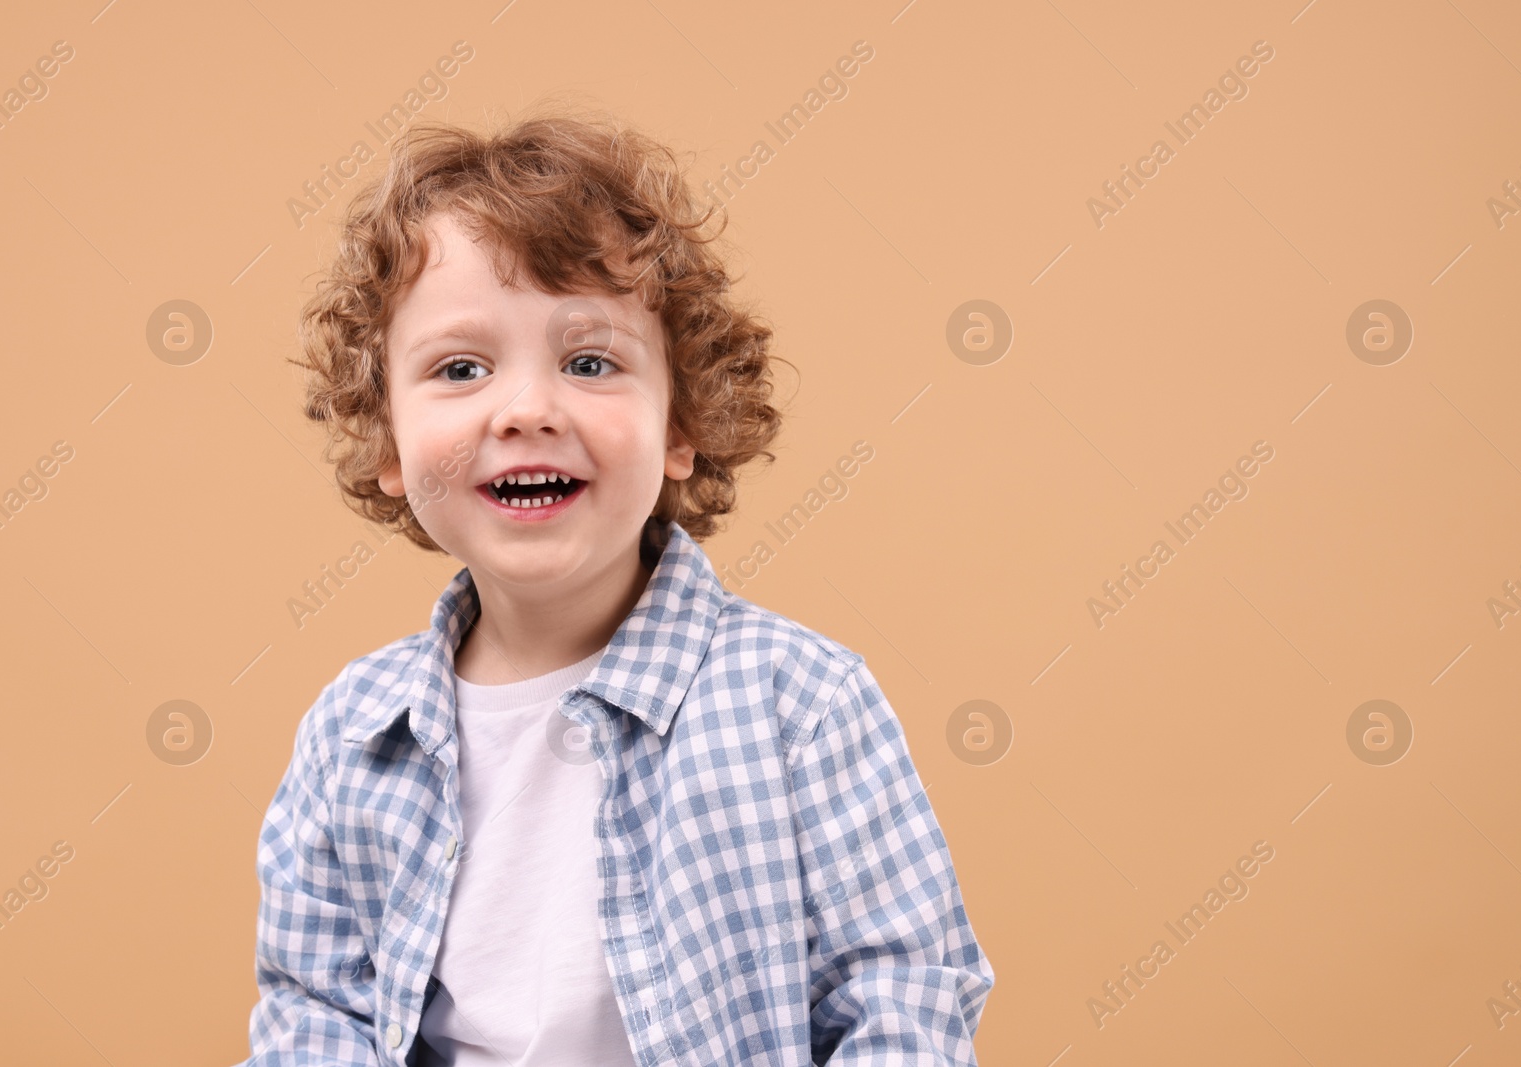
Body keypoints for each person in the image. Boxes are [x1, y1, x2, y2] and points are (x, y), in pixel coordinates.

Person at [238, 108, 994, 1066]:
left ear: (682, 426)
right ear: (389, 440)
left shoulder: (802, 704)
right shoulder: (352, 735)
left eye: (589, 362)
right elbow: (314, 1018)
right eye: (460, 368)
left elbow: (903, 1003)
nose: (526, 410)